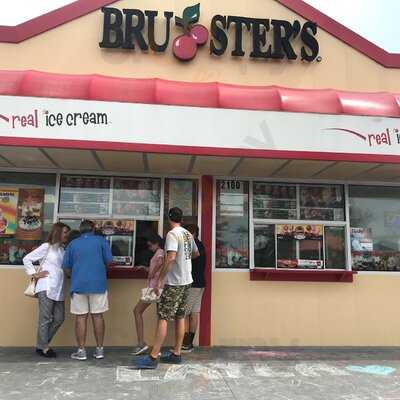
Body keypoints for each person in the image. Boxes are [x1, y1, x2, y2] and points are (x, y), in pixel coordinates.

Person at [134, 207, 199, 369]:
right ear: (181, 218)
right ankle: (177, 353)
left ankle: (153, 356)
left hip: (174, 282)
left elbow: (169, 259)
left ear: (169, 219)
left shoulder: (172, 234)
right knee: (180, 316)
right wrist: (183, 261)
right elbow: (195, 254)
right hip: (187, 281)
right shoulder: (187, 234)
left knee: (163, 317)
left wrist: (160, 280)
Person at [63, 219, 113, 361]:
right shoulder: (101, 241)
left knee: (81, 317)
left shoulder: (73, 244)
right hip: (98, 284)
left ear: (80, 230)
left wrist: (74, 276)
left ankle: (81, 351)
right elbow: (109, 261)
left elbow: (66, 266)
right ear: (92, 229)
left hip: (78, 285)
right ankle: (99, 350)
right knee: (97, 316)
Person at [23, 222, 71, 358]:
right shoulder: (46, 247)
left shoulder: (63, 250)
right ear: (58, 233)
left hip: (59, 289)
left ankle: (41, 344)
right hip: (46, 286)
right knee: (45, 318)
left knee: (59, 318)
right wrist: (34, 273)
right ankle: (44, 347)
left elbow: (64, 268)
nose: (67, 235)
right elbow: (27, 258)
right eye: (65, 232)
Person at [132, 233, 165, 356]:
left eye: (150, 245)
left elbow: (161, 263)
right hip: (157, 287)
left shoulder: (160, 252)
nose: (149, 247)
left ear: (156, 243)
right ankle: (157, 347)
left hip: (154, 288)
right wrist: (146, 268)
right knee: (160, 317)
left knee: (137, 311)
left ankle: (141, 343)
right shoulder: (158, 253)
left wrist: (152, 273)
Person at [182, 225, 206, 352]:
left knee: (184, 314)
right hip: (200, 284)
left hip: (192, 284)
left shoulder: (191, 246)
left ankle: (185, 343)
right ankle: (189, 343)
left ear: (193, 233)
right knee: (195, 313)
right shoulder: (200, 245)